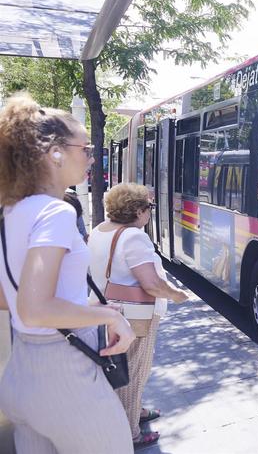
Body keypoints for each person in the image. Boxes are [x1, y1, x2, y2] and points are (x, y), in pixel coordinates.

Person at [0, 93, 135, 454]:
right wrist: (107, 315)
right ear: (55, 152)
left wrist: (84, 307)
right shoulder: (55, 213)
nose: (92, 157)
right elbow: (35, 307)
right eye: (86, 148)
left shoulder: (12, 212)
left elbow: (10, 298)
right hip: (65, 376)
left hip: (22, 371)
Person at [88, 183, 189, 449]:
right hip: (133, 316)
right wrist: (176, 294)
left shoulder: (100, 230)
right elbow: (152, 284)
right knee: (134, 372)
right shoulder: (133, 237)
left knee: (121, 368)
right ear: (136, 210)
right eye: (149, 207)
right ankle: (131, 433)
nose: (150, 212)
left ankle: (136, 411)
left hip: (105, 309)